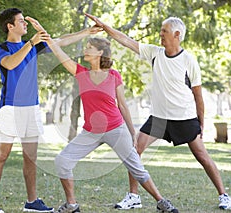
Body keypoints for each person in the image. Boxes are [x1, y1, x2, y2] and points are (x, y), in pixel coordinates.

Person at [85, 13, 231, 211]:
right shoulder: (155, 53)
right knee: (134, 150)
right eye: (161, 31)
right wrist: (105, 26)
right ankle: (133, 196)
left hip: (184, 118)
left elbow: (198, 95)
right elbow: (126, 41)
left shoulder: (189, 60)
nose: (160, 34)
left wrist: (201, 123)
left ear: (177, 34)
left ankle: (224, 195)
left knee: (202, 157)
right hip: (159, 118)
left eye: (164, 31)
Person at [0, 8, 102, 213]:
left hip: (31, 108)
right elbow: (11, 64)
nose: (25, 24)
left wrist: (87, 33)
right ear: (9, 26)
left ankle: (32, 201)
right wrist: (31, 42)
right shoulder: (2, 47)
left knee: (30, 157)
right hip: (11, 108)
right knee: (2, 155)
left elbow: (61, 41)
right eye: (21, 21)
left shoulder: (34, 46)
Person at [46, 32, 179, 212]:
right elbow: (60, 55)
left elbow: (123, 106)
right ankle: (71, 204)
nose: (85, 50)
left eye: (89, 48)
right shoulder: (81, 73)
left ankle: (162, 202)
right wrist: (47, 38)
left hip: (116, 128)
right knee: (62, 161)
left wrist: (132, 132)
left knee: (137, 169)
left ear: (100, 53)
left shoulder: (114, 75)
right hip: (90, 132)